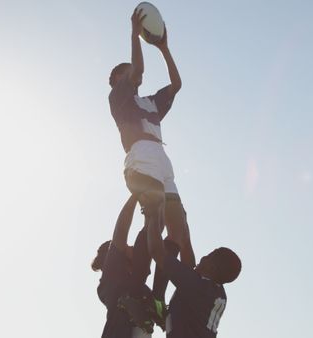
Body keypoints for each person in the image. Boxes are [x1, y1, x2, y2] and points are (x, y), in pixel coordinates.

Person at [108, 7, 194, 312]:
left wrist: (164, 48)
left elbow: (177, 85)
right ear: (118, 79)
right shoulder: (119, 97)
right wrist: (134, 35)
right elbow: (139, 72)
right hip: (141, 157)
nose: (132, 73)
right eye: (126, 71)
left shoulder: (151, 103)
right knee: (155, 228)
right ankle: (139, 292)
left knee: (180, 234)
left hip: (161, 157)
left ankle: (163, 296)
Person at [146, 209, 242, 338]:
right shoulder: (212, 290)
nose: (202, 258)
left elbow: (156, 250)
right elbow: (185, 246)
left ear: (212, 268)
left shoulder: (197, 286)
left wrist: (154, 212)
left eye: (208, 256)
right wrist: (182, 222)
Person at [92, 195, 154, 337]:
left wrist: (150, 212)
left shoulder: (138, 280)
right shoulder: (111, 280)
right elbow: (121, 230)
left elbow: (147, 237)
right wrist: (136, 194)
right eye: (126, 246)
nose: (131, 245)